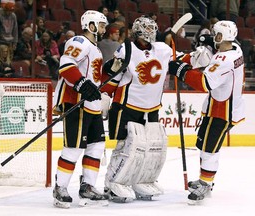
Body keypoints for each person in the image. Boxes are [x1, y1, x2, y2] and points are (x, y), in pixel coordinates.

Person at [100, 15, 177, 203]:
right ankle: (113, 182)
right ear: (137, 32)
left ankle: (141, 180)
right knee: (126, 145)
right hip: (127, 107)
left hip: (151, 109)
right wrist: (104, 94)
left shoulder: (163, 49)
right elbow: (114, 75)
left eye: (152, 29)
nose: (150, 33)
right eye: (146, 29)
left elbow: (178, 62)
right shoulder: (127, 48)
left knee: (151, 147)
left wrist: (194, 58)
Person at [168, 20, 245, 204]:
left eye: (217, 35)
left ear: (224, 37)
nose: (215, 38)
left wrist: (182, 71)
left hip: (223, 111)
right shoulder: (235, 48)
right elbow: (213, 54)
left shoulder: (224, 59)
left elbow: (205, 83)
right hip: (217, 106)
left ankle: (206, 183)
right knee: (204, 144)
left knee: (209, 148)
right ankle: (206, 180)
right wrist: (210, 42)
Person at [52, 10, 108, 208]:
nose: (103, 29)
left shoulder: (96, 48)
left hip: (91, 105)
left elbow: (94, 76)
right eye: (101, 25)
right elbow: (66, 65)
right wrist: (82, 84)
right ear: (91, 26)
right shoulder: (80, 42)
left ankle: (88, 187)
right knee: (74, 147)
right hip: (77, 102)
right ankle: (60, 187)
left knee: (97, 145)